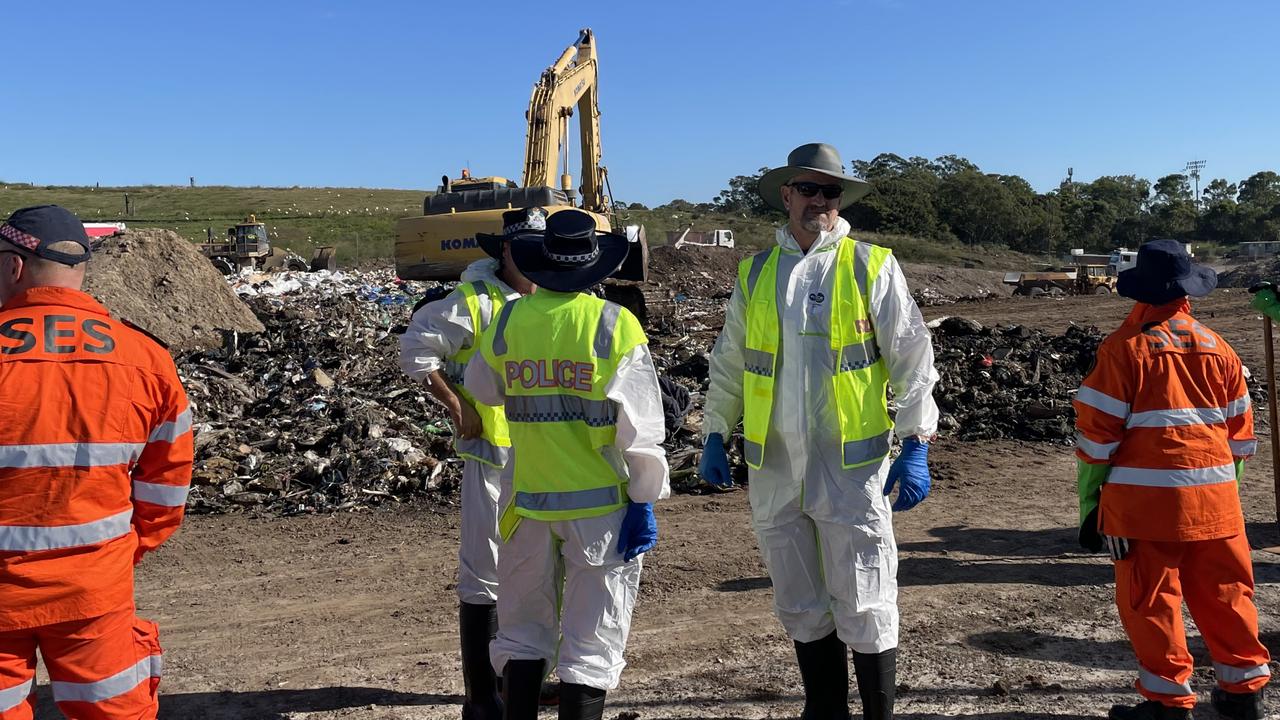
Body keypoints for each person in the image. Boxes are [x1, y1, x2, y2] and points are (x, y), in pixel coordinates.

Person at [700, 143, 939, 720]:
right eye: (809, 190)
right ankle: (824, 709)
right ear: (786, 195)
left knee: (866, 595)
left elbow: (911, 356)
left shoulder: (869, 265)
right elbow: (732, 360)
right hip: (776, 464)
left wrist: (915, 441)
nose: (820, 201)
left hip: (851, 468)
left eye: (830, 192)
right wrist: (714, 431)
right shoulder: (756, 272)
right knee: (799, 597)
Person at [464, 208, 669, 720]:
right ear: (594, 267)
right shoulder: (613, 325)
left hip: (527, 506)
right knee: (591, 641)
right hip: (600, 511)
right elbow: (641, 429)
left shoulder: (509, 320)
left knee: (522, 633)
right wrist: (643, 500)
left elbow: (482, 390)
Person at [0, 205, 193, 719]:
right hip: (94, 588)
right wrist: (116, 555)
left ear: (13, 266)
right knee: (110, 711)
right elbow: (166, 489)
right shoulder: (146, 358)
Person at [1075, 239, 1269, 720]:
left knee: (1151, 601)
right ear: (1188, 289)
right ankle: (1243, 696)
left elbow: (1096, 443)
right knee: (1228, 595)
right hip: (1218, 506)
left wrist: (1091, 508)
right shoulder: (1220, 349)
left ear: (1140, 290)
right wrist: (1217, 498)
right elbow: (1242, 442)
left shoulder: (1123, 350)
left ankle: (1167, 704)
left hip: (1144, 510)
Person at [399, 208, 540, 720]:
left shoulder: (559, 297)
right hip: (493, 461)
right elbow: (416, 350)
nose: (529, 258)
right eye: (520, 247)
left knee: (540, 569)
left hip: (549, 460)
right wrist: (458, 408)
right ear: (504, 251)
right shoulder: (473, 303)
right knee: (485, 573)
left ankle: (528, 677)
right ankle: (482, 697)